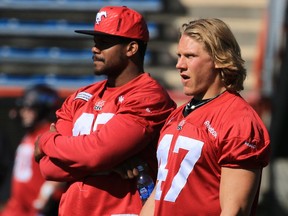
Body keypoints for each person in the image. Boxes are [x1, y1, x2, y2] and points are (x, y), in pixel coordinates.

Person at [33, 5, 176, 216]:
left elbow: (95, 154)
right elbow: (49, 168)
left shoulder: (149, 96)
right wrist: (106, 166)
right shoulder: (81, 96)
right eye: (95, 42)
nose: (94, 48)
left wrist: (45, 142)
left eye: (104, 42)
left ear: (131, 48)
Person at [140, 18, 271, 216]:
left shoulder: (238, 121)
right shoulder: (178, 114)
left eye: (190, 56)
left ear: (220, 58)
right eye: (179, 56)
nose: (179, 64)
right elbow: (162, 190)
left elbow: (235, 210)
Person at [1, 84, 63, 216]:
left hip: (36, 209)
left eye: (30, 108)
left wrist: (46, 195)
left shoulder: (49, 135)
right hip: (17, 208)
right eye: (24, 108)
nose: (24, 112)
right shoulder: (30, 134)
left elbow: (61, 172)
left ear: (43, 110)